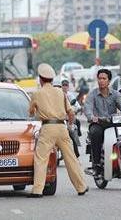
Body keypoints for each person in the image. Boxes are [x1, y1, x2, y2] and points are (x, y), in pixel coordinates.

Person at [28, 63, 88, 198]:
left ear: (40, 79)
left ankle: (38, 190)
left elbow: (31, 113)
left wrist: (36, 111)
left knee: (41, 158)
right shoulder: (61, 92)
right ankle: (81, 187)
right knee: (71, 158)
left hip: (47, 128)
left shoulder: (37, 94)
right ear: (51, 79)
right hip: (61, 127)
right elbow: (71, 113)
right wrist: (70, 126)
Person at [84, 69, 121, 175]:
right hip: (98, 124)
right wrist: (91, 117)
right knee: (95, 133)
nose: (101, 81)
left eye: (104, 78)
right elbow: (87, 107)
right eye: (99, 78)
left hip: (113, 123)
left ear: (109, 81)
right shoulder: (92, 94)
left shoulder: (116, 94)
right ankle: (96, 165)